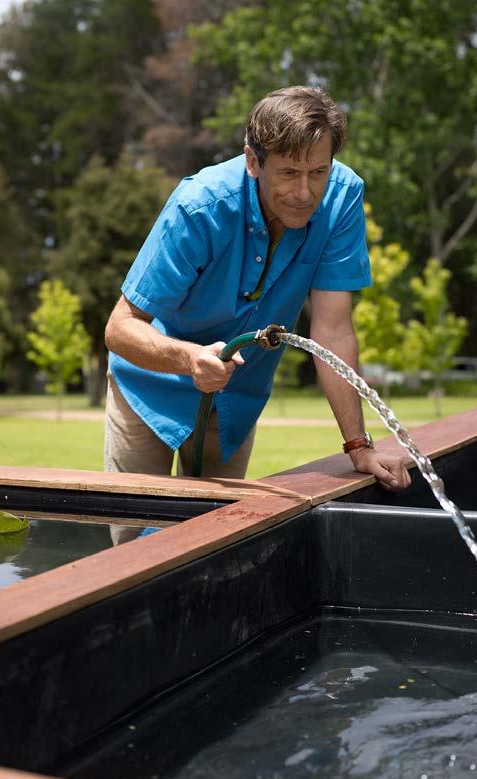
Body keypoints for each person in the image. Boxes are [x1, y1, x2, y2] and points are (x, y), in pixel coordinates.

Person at [104, 85, 411, 493]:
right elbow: (120, 327)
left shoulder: (342, 200)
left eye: (318, 172)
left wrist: (358, 446)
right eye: (288, 173)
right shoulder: (200, 205)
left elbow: (333, 331)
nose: (305, 194)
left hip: (236, 399)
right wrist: (191, 358)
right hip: (149, 390)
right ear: (253, 160)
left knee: (222, 539)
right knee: (136, 545)